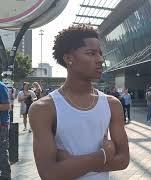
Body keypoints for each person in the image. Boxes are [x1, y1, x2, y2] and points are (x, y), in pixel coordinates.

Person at [28, 24, 129, 180]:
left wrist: (71, 164)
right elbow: (49, 174)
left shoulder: (112, 104)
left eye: (100, 54)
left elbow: (123, 160)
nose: (100, 59)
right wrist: (103, 155)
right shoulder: (44, 109)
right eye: (91, 53)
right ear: (69, 58)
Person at [0, 81, 11, 180]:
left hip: (2, 125)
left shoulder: (1, 86)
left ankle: (5, 176)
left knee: (2, 151)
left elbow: (7, 106)